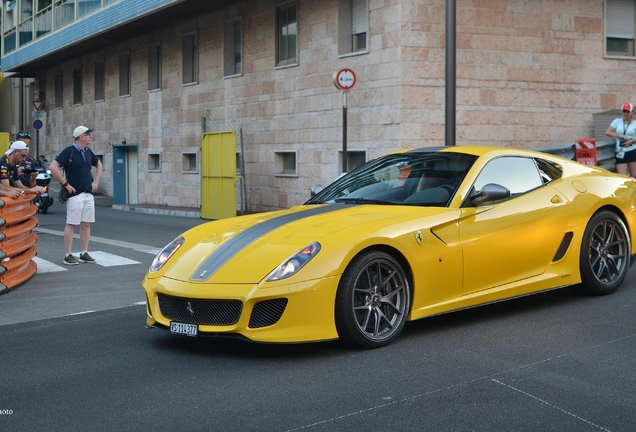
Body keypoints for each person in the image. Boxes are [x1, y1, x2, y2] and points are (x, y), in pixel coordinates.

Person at [49, 126, 103, 266]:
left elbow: (99, 165)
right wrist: (65, 184)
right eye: (88, 134)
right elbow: (53, 166)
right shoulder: (69, 151)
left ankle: (84, 252)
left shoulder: (88, 152)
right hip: (75, 194)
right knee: (71, 224)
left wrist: (95, 182)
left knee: (86, 224)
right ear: (81, 137)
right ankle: (68, 254)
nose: (90, 137)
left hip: (87, 193)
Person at [607, 102, 636, 176]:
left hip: (632, 151)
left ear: (632, 112)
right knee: (622, 176)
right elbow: (608, 132)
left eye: (628, 112)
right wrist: (619, 135)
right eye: (624, 111)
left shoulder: (635, 123)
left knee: (634, 175)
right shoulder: (617, 121)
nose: (625, 114)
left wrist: (632, 141)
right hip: (620, 151)